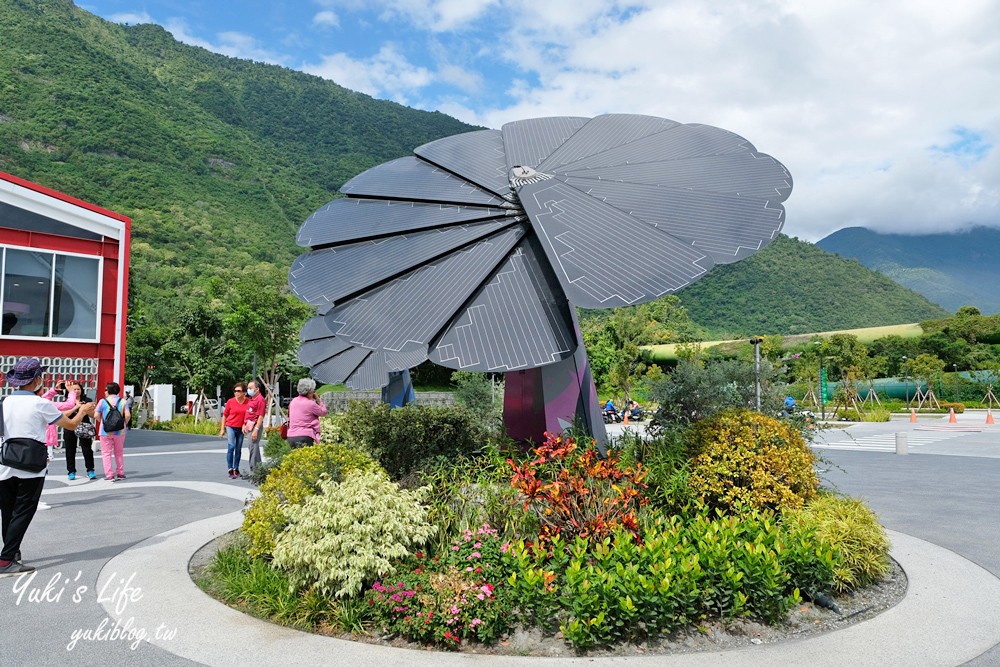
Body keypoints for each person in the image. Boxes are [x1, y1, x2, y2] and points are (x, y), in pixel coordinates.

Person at [1, 358, 94, 577]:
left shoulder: (5, 402)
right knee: (23, 511)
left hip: (5, 463)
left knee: (8, 511)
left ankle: (12, 554)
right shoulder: (39, 403)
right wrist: (83, 410)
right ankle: (6, 561)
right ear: (36, 380)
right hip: (30, 465)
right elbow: (70, 424)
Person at [95, 382, 130, 482]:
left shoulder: (102, 401)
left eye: (106, 390)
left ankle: (109, 475)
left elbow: (96, 415)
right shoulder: (123, 401)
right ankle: (120, 473)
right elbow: (127, 416)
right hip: (120, 431)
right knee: (119, 452)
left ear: (109, 391)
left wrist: (103, 422)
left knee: (106, 453)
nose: (105, 391)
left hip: (105, 431)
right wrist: (123, 424)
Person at [63, 383, 96, 480]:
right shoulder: (67, 402)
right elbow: (65, 415)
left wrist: (85, 408)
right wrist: (76, 407)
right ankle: (71, 471)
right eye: (74, 389)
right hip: (70, 426)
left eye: (78, 389)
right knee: (70, 450)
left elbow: (93, 414)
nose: (76, 391)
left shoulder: (87, 401)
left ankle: (90, 470)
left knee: (87, 449)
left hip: (84, 427)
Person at [219, 382, 251, 479]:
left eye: (239, 391)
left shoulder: (248, 402)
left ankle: (236, 468)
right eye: (235, 391)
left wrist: (244, 424)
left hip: (241, 428)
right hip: (231, 426)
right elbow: (225, 415)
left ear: (244, 392)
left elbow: (249, 415)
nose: (236, 393)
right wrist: (222, 429)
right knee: (231, 446)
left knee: (238, 449)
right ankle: (230, 469)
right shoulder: (230, 401)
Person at [286, 378, 327, 448]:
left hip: (291, 435)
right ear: (310, 392)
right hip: (305, 436)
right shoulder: (310, 404)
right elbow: (323, 412)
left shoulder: (293, 401)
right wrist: (318, 400)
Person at [243, 380, 267, 471]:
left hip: (255, 425)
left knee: (253, 446)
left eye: (250, 388)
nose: (248, 390)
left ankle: (255, 468)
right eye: (248, 388)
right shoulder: (252, 399)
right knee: (252, 447)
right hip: (250, 425)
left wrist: (256, 430)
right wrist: (244, 425)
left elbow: (261, 416)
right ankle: (258, 468)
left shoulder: (260, 400)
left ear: (257, 389)